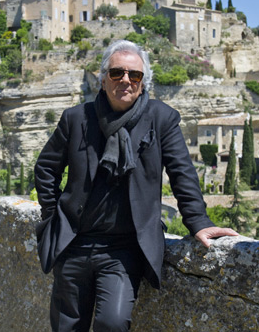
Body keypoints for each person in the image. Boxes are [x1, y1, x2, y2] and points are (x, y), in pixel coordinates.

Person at [34, 40, 238, 331]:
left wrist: (198, 221)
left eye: (135, 75)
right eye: (117, 73)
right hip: (74, 244)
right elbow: (45, 168)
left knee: (113, 323)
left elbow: (182, 173)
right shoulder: (76, 119)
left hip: (124, 249)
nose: (125, 80)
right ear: (103, 79)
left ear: (144, 83)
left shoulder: (161, 118)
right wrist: (54, 217)